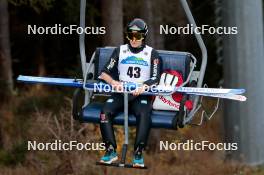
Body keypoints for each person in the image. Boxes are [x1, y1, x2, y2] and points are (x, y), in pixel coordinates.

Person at [98, 18, 161, 167]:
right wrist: (113, 82)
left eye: (137, 36)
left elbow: (155, 77)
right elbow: (104, 72)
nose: (134, 39)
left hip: (140, 94)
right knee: (104, 112)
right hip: (122, 93)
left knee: (144, 114)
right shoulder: (120, 51)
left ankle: (138, 154)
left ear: (143, 36)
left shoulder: (152, 53)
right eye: (130, 35)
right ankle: (111, 151)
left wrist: (144, 86)